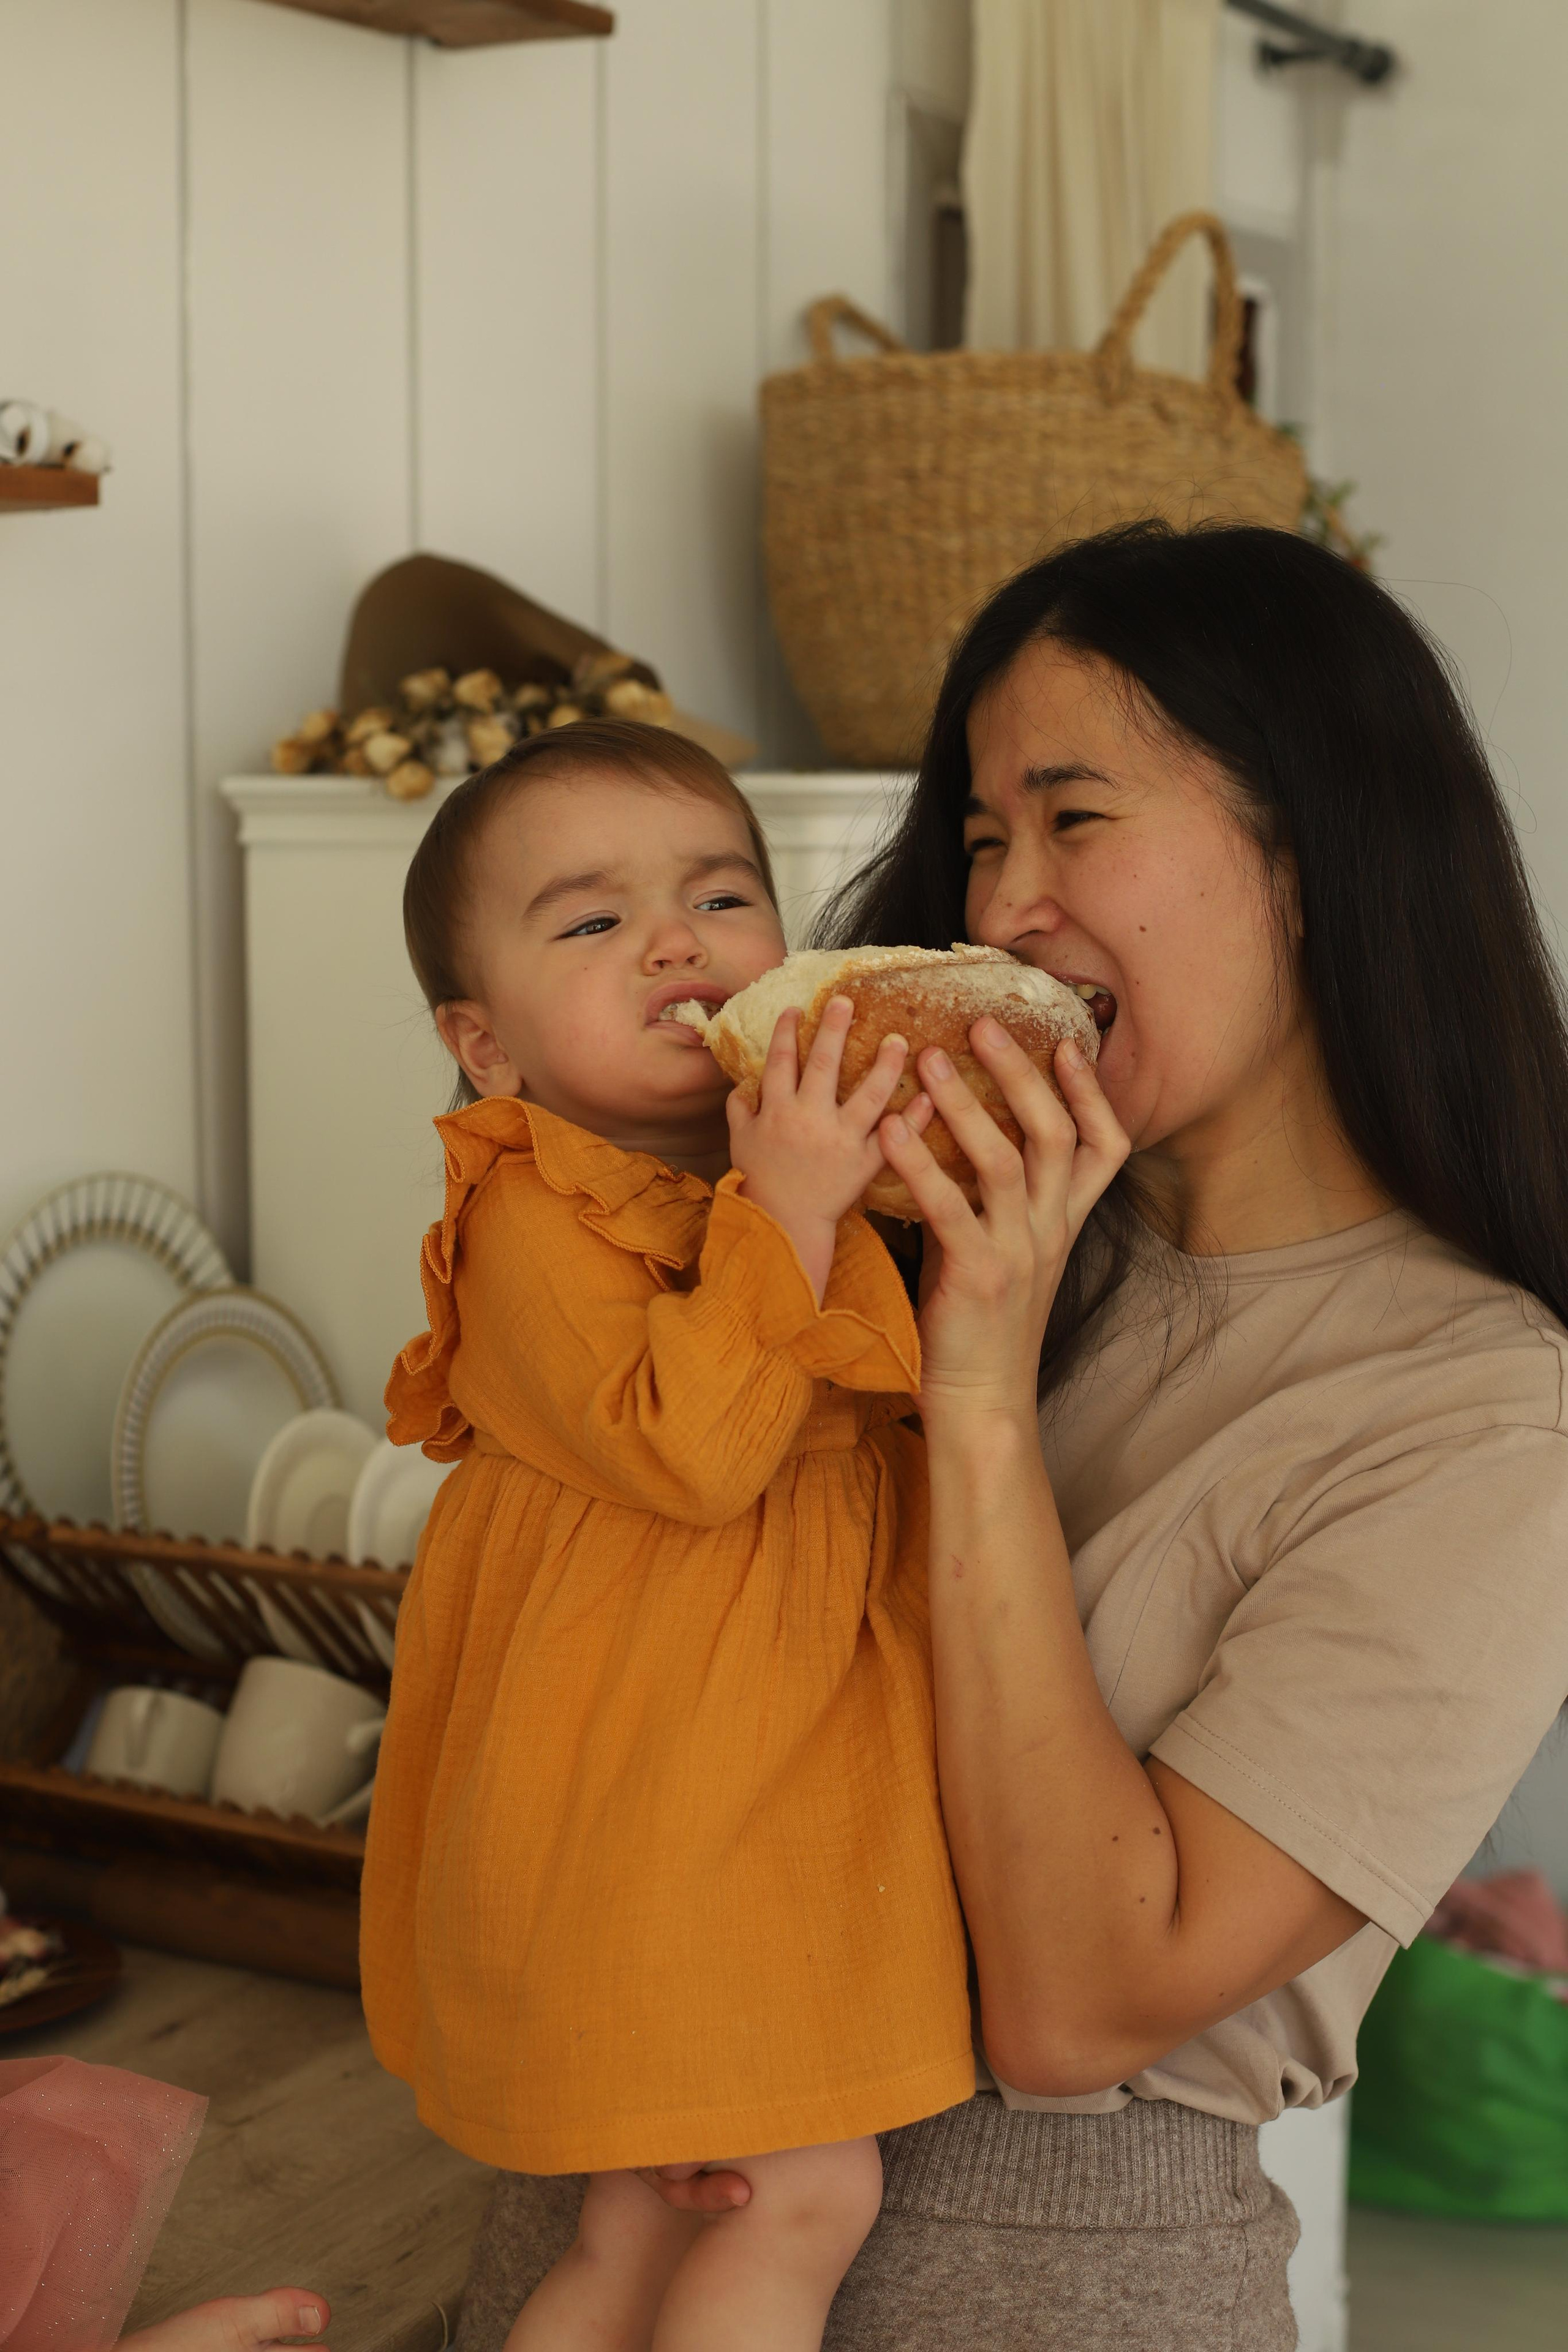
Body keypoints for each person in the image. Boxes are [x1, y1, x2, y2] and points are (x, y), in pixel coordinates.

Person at [455, 524, 1568, 2352]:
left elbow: (1078, 2003)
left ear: (1310, 849)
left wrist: (979, 1379)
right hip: (592, 2208)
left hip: (1029, 2281)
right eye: (982, 837)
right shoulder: (876, 1223)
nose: (1000, 909)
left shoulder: (1477, 1411)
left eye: (1075, 819)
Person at [359, 721, 975, 2351]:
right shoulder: (530, 1203)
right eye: (591, 920)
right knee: (804, 2195)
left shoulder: (786, 1172)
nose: (676, 940)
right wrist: (789, 1206)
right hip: (652, 1804)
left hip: (769, 1771)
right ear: (484, 1045)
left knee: (648, 2218)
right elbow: (696, 1455)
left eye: (722, 893)